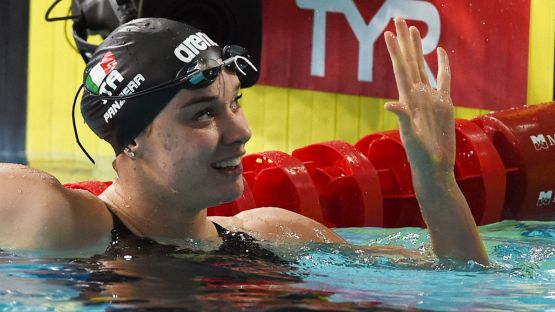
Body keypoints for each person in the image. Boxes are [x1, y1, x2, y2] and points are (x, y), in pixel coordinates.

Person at [0, 17, 488, 265]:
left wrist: (437, 178)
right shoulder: (54, 220)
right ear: (132, 140)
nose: (241, 132)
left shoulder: (274, 235)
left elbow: (458, 286)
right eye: (204, 115)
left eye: (234, 103)